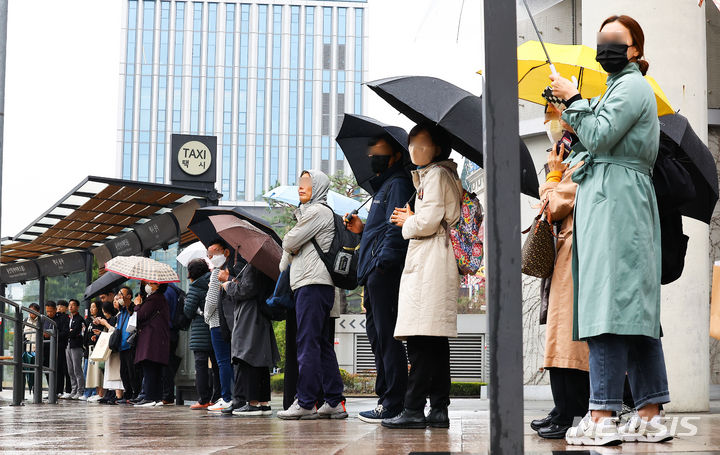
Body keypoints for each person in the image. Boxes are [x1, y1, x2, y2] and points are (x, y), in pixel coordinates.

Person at [550, 15, 671, 446]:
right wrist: (567, 116)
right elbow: (592, 145)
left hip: (618, 203)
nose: (606, 47)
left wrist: (575, 98)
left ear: (635, 48)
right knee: (633, 312)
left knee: (607, 307)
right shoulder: (620, 88)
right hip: (618, 200)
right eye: (601, 40)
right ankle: (650, 412)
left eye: (615, 41)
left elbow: (600, 137)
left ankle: (602, 414)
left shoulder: (633, 86)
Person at [381, 123, 462, 430]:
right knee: (434, 341)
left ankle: (414, 407)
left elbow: (427, 222)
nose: (414, 149)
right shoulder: (436, 176)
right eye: (411, 143)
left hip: (431, 261)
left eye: (422, 144)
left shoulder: (437, 175)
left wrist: (408, 219)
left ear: (437, 148)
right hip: (435, 260)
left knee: (420, 340)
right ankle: (439, 408)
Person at [345, 133, 414, 423]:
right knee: (378, 338)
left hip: (383, 272)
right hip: (375, 271)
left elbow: (394, 230)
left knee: (387, 338)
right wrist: (361, 230)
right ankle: (386, 399)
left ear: (396, 154)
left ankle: (393, 402)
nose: (372, 156)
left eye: (378, 151)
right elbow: (380, 228)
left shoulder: (397, 184)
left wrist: (381, 265)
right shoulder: (385, 186)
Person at [530, 108, 590, 439]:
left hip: (573, 254)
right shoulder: (574, 158)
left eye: (557, 116)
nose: (551, 124)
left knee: (566, 337)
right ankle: (562, 409)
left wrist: (553, 177)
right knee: (560, 333)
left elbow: (554, 207)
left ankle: (569, 412)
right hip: (567, 254)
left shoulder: (582, 161)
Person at [277, 170, 347, 420]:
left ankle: (306, 402)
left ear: (318, 186)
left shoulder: (317, 211)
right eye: (299, 182)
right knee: (322, 345)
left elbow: (289, 242)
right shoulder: (310, 213)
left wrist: (292, 243)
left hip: (312, 284)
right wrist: (293, 244)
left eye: (307, 183)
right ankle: (334, 401)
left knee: (307, 343)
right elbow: (287, 255)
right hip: (316, 285)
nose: (301, 187)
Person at [222, 261, 279, 417]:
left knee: (248, 357)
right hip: (259, 315)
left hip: (250, 315)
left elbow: (246, 289)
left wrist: (228, 285)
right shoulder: (264, 266)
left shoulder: (254, 265)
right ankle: (263, 403)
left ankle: (252, 403)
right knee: (260, 359)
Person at [183, 258, 221, 410]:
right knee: (218, 365)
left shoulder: (195, 286)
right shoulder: (214, 281)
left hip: (200, 332)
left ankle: (203, 399)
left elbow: (188, 311)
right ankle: (218, 397)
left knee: (201, 367)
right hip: (215, 328)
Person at [204, 239, 236, 412]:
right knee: (229, 361)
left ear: (226, 252)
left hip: (217, 322)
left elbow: (211, 301)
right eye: (209, 253)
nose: (211, 256)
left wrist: (206, 317)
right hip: (230, 321)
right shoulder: (231, 269)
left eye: (215, 251)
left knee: (222, 361)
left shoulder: (218, 271)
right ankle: (231, 396)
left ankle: (227, 397)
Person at [133, 281, 171, 407]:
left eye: (151, 283)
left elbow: (141, 315)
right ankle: (155, 396)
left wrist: (137, 305)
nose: (147, 285)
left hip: (151, 337)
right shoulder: (157, 298)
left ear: (158, 285)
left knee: (149, 366)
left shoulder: (155, 299)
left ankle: (149, 396)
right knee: (154, 367)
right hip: (157, 337)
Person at [115, 287, 141, 403]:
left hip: (130, 345)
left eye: (121, 294)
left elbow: (133, 312)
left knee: (132, 372)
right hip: (121, 346)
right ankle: (128, 395)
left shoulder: (132, 308)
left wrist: (127, 303)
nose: (119, 296)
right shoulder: (121, 312)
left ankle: (135, 394)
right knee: (123, 372)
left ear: (129, 296)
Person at [160, 283, 183, 405]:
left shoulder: (167, 291)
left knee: (166, 364)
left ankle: (167, 395)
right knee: (168, 363)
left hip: (166, 331)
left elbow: (163, 313)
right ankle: (167, 394)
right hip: (172, 331)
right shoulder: (173, 289)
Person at [96, 302, 123, 405]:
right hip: (112, 348)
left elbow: (115, 331)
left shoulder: (119, 316)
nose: (116, 301)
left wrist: (105, 324)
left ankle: (117, 396)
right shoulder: (117, 316)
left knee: (116, 373)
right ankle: (113, 395)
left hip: (117, 348)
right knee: (111, 373)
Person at [84, 301, 105, 403]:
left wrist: (96, 337)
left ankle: (98, 393)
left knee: (97, 372)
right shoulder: (91, 321)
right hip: (89, 349)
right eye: (91, 307)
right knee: (90, 372)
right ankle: (94, 393)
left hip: (98, 349)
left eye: (94, 307)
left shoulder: (101, 321)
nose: (92, 309)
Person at [66, 299, 86, 400]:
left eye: (73, 305)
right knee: (70, 369)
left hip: (76, 346)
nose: (71, 307)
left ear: (77, 307)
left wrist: (69, 332)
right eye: (69, 305)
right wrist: (68, 331)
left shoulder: (80, 319)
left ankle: (80, 391)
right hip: (68, 345)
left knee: (77, 369)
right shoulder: (68, 318)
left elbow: (75, 333)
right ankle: (73, 390)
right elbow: (66, 331)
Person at [54, 299, 72, 399]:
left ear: (66, 308)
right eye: (58, 306)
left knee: (66, 369)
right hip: (55, 347)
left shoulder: (66, 318)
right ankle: (57, 390)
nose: (59, 308)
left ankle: (68, 390)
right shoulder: (54, 317)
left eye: (62, 306)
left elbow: (65, 332)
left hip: (64, 346)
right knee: (58, 369)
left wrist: (55, 335)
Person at [23, 303, 41, 397]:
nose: (31, 313)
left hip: (37, 350)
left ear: (38, 311)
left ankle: (36, 391)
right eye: (29, 311)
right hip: (26, 350)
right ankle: (23, 392)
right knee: (25, 370)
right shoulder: (26, 320)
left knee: (36, 372)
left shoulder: (41, 321)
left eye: (33, 311)